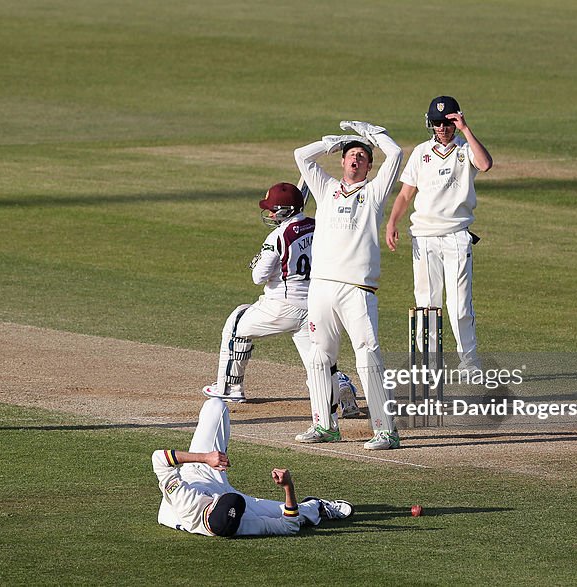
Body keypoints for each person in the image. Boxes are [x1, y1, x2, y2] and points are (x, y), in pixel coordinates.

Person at [202, 182, 360, 419]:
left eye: (273, 210)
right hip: (316, 307)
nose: (270, 214)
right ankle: (342, 387)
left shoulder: (277, 236)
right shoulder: (320, 227)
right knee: (318, 363)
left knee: (236, 323)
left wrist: (259, 259)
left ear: (284, 211)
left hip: (281, 307)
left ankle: (229, 387)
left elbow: (259, 277)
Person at [293, 121, 404, 450]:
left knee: (367, 355)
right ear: (341, 161)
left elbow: (396, 153)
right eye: (350, 155)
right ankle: (324, 425)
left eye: (362, 157)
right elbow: (301, 156)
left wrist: (373, 134)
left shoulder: (373, 193)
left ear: (370, 166)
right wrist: (333, 141)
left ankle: (386, 431)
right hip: (322, 287)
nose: (355, 160)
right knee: (318, 357)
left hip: (357, 288)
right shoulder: (325, 188)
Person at [385, 96, 492, 373]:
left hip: (456, 235)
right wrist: (392, 222)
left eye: (448, 122)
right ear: (429, 123)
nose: (442, 128)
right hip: (424, 237)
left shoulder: (465, 150)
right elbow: (406, 194)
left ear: (456, 121)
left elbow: (486, 164)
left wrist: (466, 129)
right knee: (427, 303)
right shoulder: (421, 153)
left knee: (459, 306)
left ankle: (470, 361)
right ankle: (431, 364)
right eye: (437, 123)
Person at [152, 397, 354, 537]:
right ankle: (318, 506)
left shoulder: (187, 500)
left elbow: (158, 458)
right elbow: (288, 527)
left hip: (197, 479)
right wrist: (288, 487)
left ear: (212, 505)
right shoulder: (242, 524)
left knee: (215, 405)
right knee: (292, 513)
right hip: (212, 503)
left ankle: (199, 473)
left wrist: (205, 458)